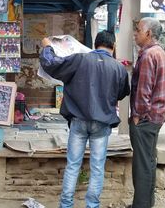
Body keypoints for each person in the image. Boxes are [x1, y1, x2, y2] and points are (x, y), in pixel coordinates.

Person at [40, 31, 130, 208]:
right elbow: (122, 93)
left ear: (96, 44)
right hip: (102, 123)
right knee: (97, 168)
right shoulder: (118, 68)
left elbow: (51, 64)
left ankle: (66, 205)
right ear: (113, 46)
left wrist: (47, 47)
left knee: (73, 165)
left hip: (78, 121)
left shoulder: (79, 60)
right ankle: (92, 205)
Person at [128, 18, 165, 208]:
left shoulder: (147, 56)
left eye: (138, 30)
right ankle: (146, 203)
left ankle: (141, 205)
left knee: (142, 165)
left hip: (145, 119)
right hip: (156, 117)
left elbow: (144, 91)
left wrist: (138, 115)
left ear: (149, 34)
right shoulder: (159, 52)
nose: (135, 33)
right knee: (149, 162)